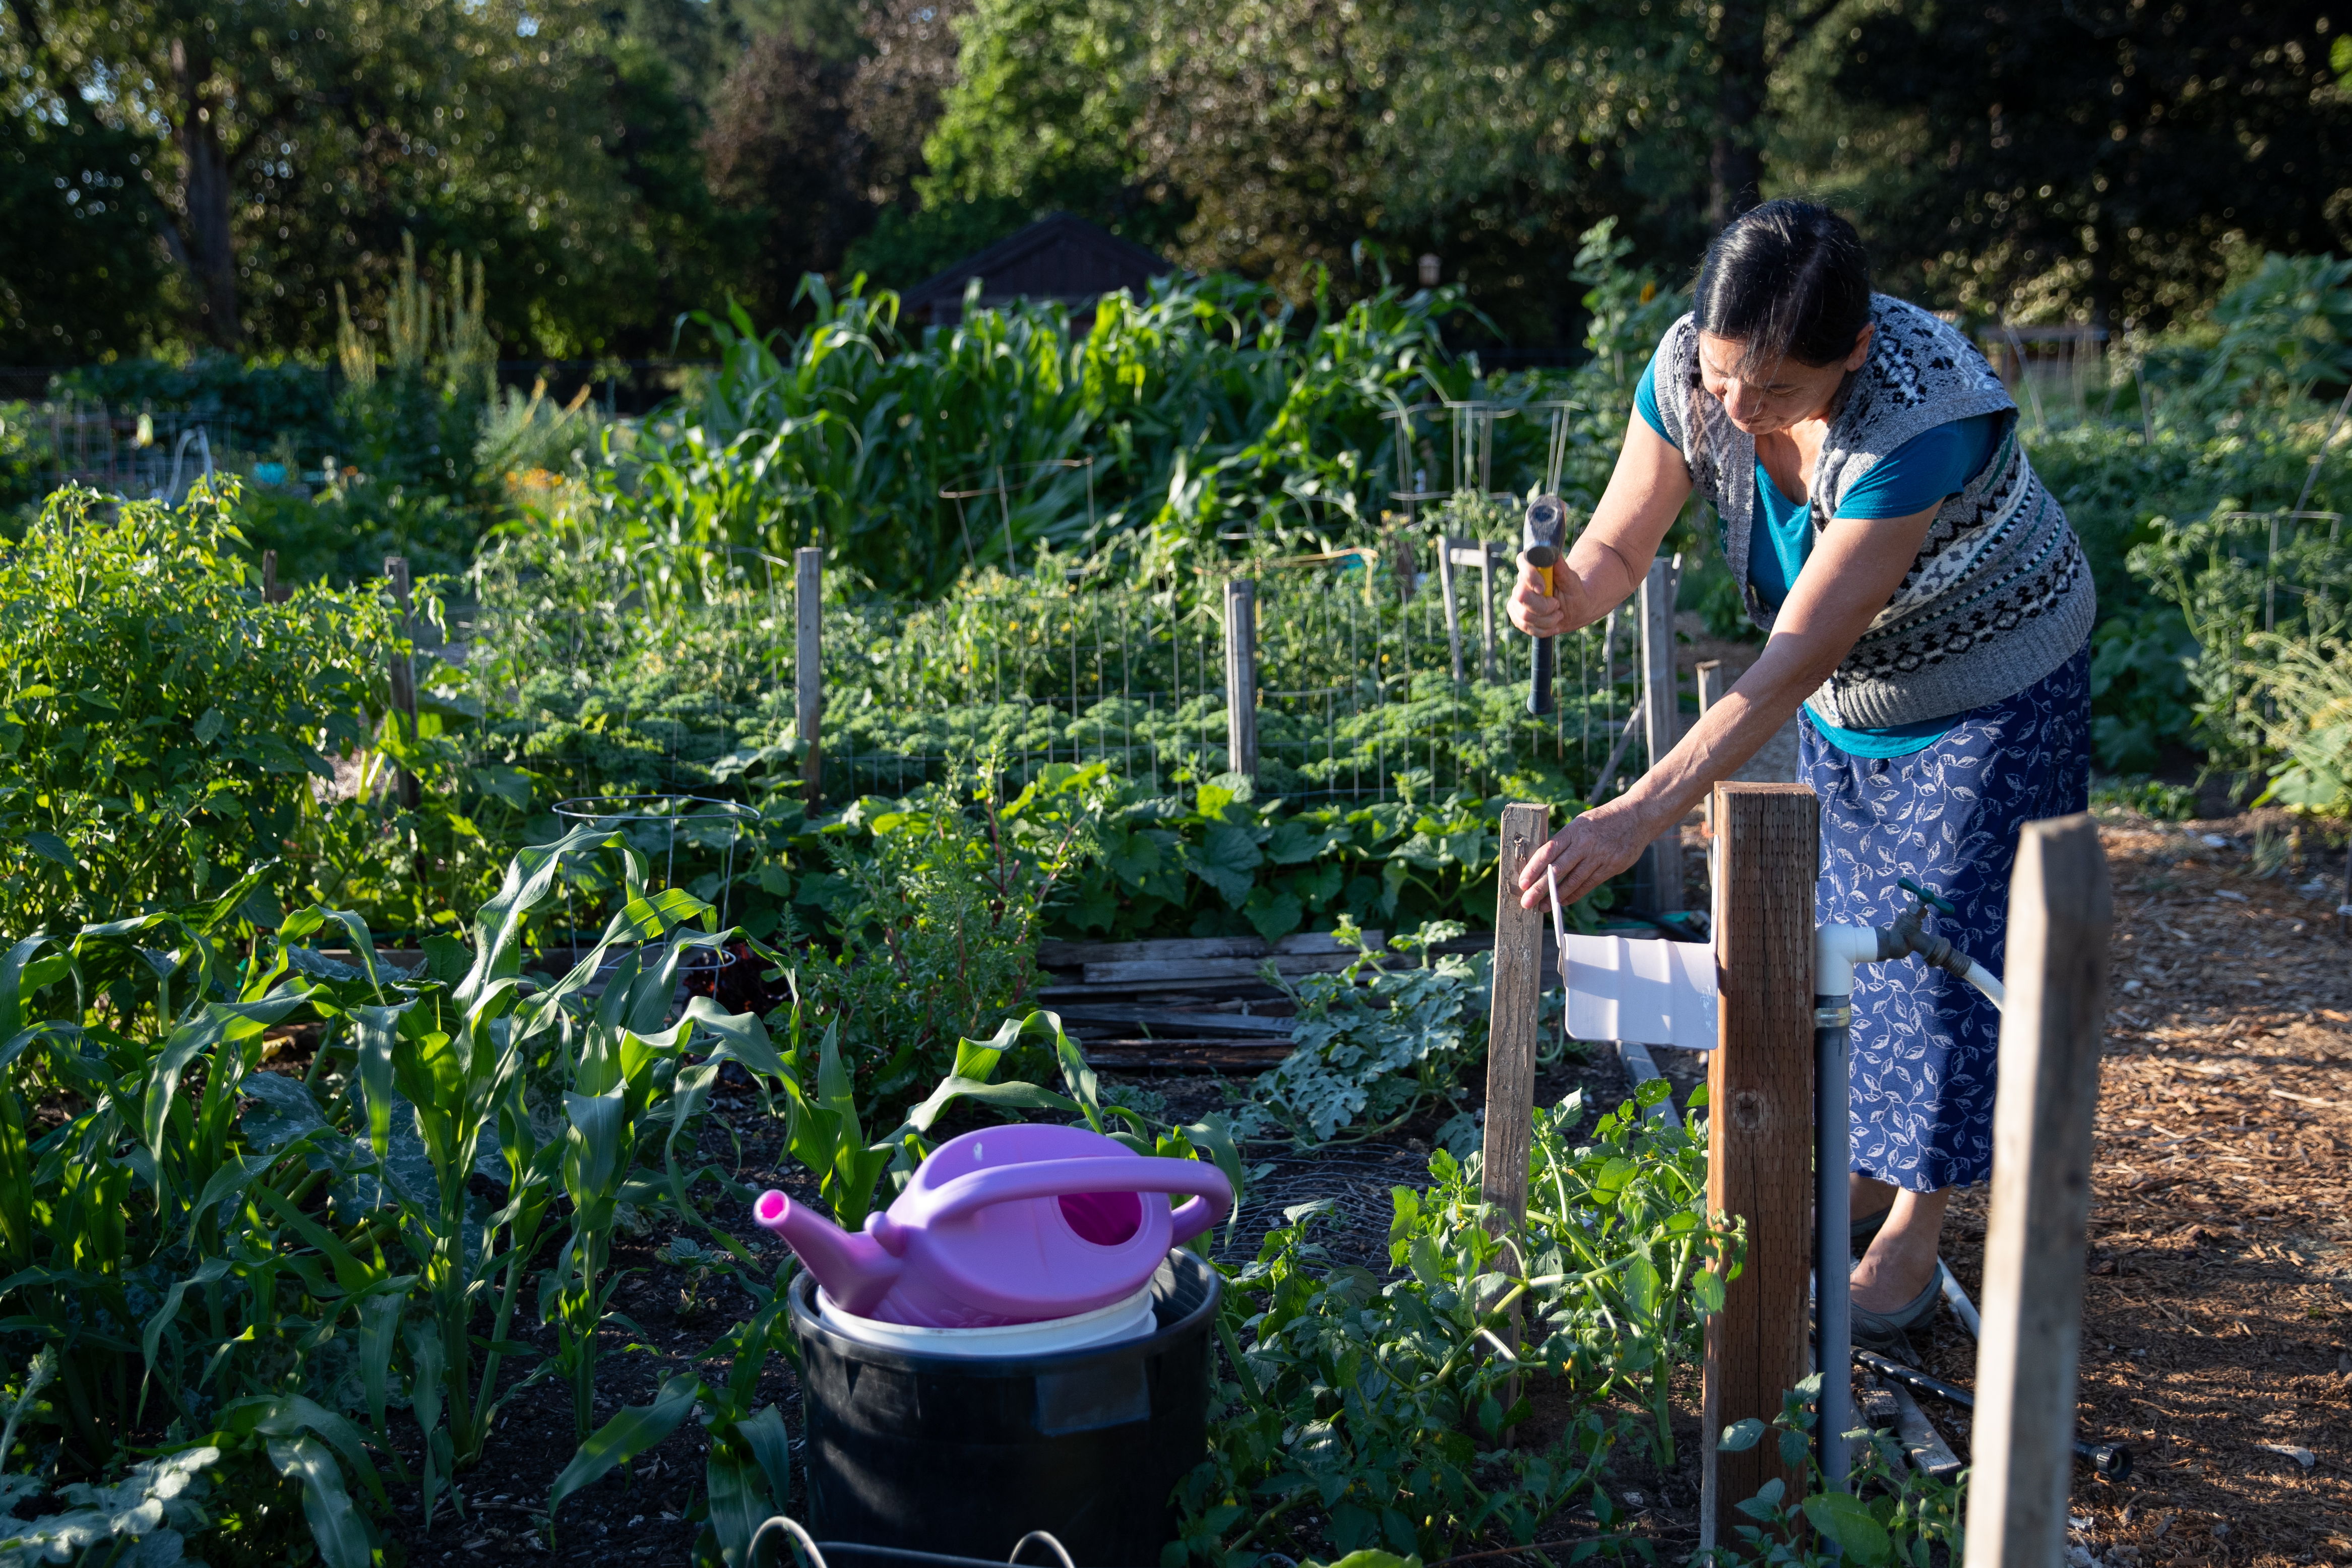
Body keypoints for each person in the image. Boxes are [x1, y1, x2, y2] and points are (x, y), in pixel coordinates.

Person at [1505, 199, 2094, 1347]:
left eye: (1773, 390)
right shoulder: (1692, 370)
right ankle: (1866, 1174)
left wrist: (1635, 817)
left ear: (1856, 349)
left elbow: (1785, 663)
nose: (1736, 407)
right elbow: (1621, 544)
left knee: (1942, 951)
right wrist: (1565, 593)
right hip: (1855, 692)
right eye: (1725, 373)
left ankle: (1916, 1231)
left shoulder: (1914, 421)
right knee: (1852, 925)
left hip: (1991, 680)